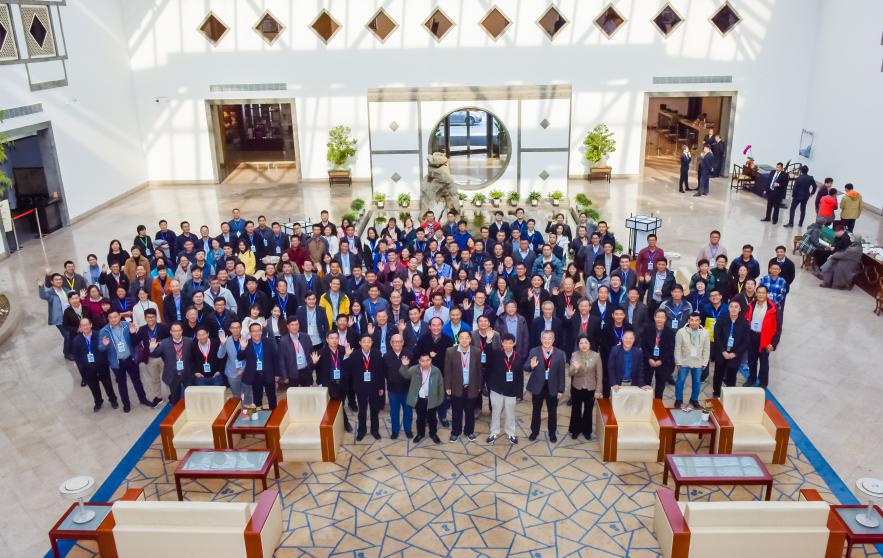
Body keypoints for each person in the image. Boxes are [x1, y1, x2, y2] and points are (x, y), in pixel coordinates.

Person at [98, 310, 154, 412]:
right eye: (110, 317)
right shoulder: (104, 331)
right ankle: (126, 404)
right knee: (121, 384)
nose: (113, 319)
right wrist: (104, 345)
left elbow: (136, 342)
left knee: (137, 381)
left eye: (115, 316)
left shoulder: (127, 325)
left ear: (120, 316)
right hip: (117, 363)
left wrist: (133, 334)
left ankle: (143, 399)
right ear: (108, 319)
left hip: (130, 359)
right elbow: (100, 348)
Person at [525, 331, 566, 442]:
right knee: (536, 411)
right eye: (544, 338)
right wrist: (531, 366)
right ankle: (534, 432)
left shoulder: (560, 353)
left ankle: (552, 433)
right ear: (541, 339)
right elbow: (525, 366)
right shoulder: (534, 351)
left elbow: (562, 373)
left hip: (553, 387)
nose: (547, 340)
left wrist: (561, 389)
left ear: (553, 340)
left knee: (552, 412)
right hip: (537, 386)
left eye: (549, 338)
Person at [71, 317, 118, 412]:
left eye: (87, 325)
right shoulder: (76, 340)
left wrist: (106, 361)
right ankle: (98, 402)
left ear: (91, 325)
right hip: (88, 370)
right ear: (80, 327)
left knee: (108, 385)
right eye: (83, 325)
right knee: (94, 388)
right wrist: (82, 368)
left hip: (102, 367)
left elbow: (106, 349)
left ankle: (113, 400)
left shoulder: (99, 335)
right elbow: (76, 356)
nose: (85, 327)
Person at [444, 331, 482, 442]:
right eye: (461, 337)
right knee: (456, 412)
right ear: (458, 339)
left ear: (470, 339)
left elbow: (479, 370)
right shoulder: (450, 351)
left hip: (471, 386)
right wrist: (448, 387)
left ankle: (469, 431)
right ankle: (455, 432)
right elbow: (447, 371)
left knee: (470, 412)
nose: (464, 340)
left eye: (466, 337)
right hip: (456, 387)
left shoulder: (476, 351)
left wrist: (479, 385)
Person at [311, 330, 353, 432]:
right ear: (327, 340)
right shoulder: (321, 352)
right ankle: (345, 423)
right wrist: (314, 363)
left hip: (342, 382)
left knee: (340, 404)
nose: (334, 340)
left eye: (336, 338)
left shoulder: (343, 350)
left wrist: (348, 356)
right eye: (331, 338)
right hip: (328, 383)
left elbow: (349, 366)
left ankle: (341, 422)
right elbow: (312, 368)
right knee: (333, 405)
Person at [346, 334, 386, 441]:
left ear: (372, 343)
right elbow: (347, 369)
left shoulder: (377, 353)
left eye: (369, 341)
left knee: (374, 410)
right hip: (361, 388)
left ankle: (375, 430)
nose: (366, 344)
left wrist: (381, 387)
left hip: (374, 387)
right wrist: (347, 356)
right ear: (360, 343)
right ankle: (361, 431)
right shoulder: (355, 354)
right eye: (364, 341)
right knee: (362, 411)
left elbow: (381, 372)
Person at [398, 353, 444, 445]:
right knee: (420, 417)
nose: (425, 363)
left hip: (432, 398)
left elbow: (440, 385)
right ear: (419, 361)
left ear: (431, 360)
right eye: (422, 361)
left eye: (427, 360)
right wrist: (404, 366)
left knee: (432, 418)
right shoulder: (414, 369)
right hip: (420, 399)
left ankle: (433, 434)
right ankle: (420, 433)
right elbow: (405, 375)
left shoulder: (436, 370)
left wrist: (440, 399)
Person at [486, 333, 522, 445]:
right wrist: (488, 340)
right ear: (502, 343)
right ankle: (494, 432)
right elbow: (487, 354)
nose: (507, 345)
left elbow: (520, 376)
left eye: (510, 343)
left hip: (511, 391)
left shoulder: (518, 357)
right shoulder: (496, 354)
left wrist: (519, 392)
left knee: (510, 413)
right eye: (505, 343)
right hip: (497, 389)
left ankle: (511, 433)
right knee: (495, 412)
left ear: (514, 343)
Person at [567, 335, 603, 441]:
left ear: (590, 344)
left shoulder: (596, 356)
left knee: (588, 411)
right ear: (578, 345)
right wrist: (575, 368)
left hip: (591, 388)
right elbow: (570, 373)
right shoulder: (574, 355)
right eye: (581, 343)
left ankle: (587, 431)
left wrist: (598, 390)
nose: (583, 345)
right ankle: (575, 430)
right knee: (576, 410)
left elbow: (599, 375)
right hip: (577, 387)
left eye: (586, 342)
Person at [744, 285, 781, 389]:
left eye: (763, 293)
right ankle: (751, 379)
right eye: (759, 292)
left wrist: (773, 344)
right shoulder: (751, 305)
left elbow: (778, 328)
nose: (760, 295)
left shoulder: (773, 309)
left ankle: (763, 383)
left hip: (765, 339)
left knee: (764, 363)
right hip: (752, 336)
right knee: (751, 360)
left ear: (767, 294)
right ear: (756, 293)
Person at [237, 323, 281, 409]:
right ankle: (260, 415)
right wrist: (242, 348)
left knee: (272, 397)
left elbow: (275, 358)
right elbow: (240, 357)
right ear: (250, 333)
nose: (256, 333)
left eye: (258, 330)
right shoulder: (246, 343)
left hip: (268, 374)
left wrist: (277, 374)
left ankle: (274, 414)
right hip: (255, 376)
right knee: (257, 399)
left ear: (261, 331)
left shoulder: (269, 342)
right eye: (254, 331)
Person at [150, 321, 194, 404]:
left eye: (179, 330)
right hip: (172, 375)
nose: (177, 333)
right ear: (170, 332)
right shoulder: (164, 343)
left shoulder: (189, 341)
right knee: (175, 398)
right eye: (174, 331)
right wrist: (152, 348)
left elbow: (194, 357)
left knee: (190, 397)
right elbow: (155, 354)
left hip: (187, 374)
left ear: (182, 331)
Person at [712, 301, 749, 398]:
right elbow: (717, 336)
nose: (733, 309)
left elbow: (746, 341)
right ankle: (716, 393)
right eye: (731, 306)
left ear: (740, 309)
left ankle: (729, 395)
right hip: (721, 353)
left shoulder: (744, 323)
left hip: (735, 355)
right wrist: (723, 351)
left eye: (736, 307)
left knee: (732, 376)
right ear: (728, 308)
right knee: (718, 374)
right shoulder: (721, 319)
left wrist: (735, 354)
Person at [673, 312, 710, 409]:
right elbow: (677, 348)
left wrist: (705, 362)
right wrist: (678, 361)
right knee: (680, 381)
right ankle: (678, 399)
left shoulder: (705, 333)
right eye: (692, 320)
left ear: (700, 321)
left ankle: (694, 399)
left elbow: (706, 349)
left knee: (697, 382)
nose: (694, 322)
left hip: (698, 362)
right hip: (684, 361)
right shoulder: (681, 332)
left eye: (696, 320)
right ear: (688, 321)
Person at [384, 333, 413, 439]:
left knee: (408, 411)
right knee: (394, 412)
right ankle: (395, 431)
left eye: (399, 341)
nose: (397, 344)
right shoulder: (386, 356)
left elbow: (414, 372)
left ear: (403, 342)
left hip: (407, 390)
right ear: (391, 343)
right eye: (395, 342)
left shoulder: (409, 354)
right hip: (393, 390)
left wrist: (406, 366)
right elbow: (384, 372)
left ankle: (408, 430)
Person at [643, 309, 676, 398]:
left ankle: (658, 402)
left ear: (665, 319)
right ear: (654, 317)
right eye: (658, 317)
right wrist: (649, 358)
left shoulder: (670, 332)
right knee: (646, 384)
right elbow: (643, 345)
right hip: (649, 361)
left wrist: (661, 360)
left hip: (663, 362)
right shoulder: (647, 329)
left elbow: (670, 349)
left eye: (662, 317)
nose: (660, 319)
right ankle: (646, 401)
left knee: (660, 386)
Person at [218, 322, 251, 406]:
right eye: (233, 327)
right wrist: (222, 344)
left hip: (246, 371)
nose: (235, 329)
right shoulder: (226, 340)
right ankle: (238, 410)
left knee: (248, 394)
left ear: (241, 328)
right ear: (230, 329)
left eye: (238, 327)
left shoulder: (247, 339)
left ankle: (248, 411)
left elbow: (250, 357)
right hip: (232, 372)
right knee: (236, 395)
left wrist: (243, 369)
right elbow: (220, 356)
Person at [819, 225, 862, 289]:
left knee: (831, 262)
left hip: (847, 263)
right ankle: (825, 280)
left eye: (852, 237)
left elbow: (844, 254)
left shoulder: (853, 248)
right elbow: (844, 253)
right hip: (846, 260)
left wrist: (833, 255)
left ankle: (825, 277)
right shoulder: (857, 246)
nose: (851, 238)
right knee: (830, 261)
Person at [278, 317, 315, 387]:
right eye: (292, 325)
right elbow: (281, 360)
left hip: (306, 371)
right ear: (288, 326)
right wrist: (285, 376)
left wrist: (312, 363)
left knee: (307, 392)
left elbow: (311, 352)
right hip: (292, 373)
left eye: (296, 324)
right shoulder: (283, 341)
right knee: (293, 393)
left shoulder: (305, 337)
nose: (295, 327)